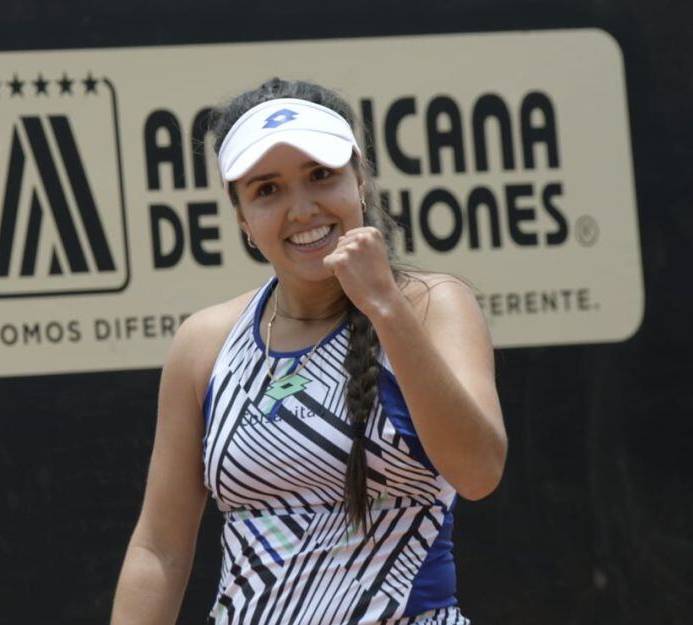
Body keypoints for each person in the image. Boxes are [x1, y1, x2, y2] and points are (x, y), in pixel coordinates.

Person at [111, 78, 507, 625]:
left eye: (321, 175)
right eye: (266, 190)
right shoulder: (204, 344)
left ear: (360, 182)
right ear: (244, 221)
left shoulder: (432, 305)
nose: (301, 208)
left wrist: (384, 308)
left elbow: (479, 472)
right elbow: (160, 547)